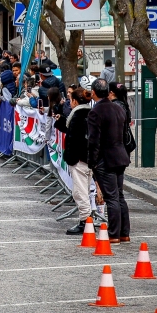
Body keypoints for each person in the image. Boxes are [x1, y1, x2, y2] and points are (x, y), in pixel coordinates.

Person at [87, 78, 131, 244]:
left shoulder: (96, 112)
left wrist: (92, 162)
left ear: (93, 92)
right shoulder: (118, 109)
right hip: (120, 155)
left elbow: (93, 140)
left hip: (105, 158)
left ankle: (113, 234)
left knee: (111, 197)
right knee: (119, 196)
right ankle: (124, 232)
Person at [54, 86, 94, 235]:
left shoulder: (77, 116)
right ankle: (87, 219)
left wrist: (71, 158)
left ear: (75, 101)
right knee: (85, 190)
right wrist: (61, 120)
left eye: (71, 99)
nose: (69, 102)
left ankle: (85, 221)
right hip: (89, 158)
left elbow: (74, 138)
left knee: (80, 192)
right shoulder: (89, 113)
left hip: (79, 159)